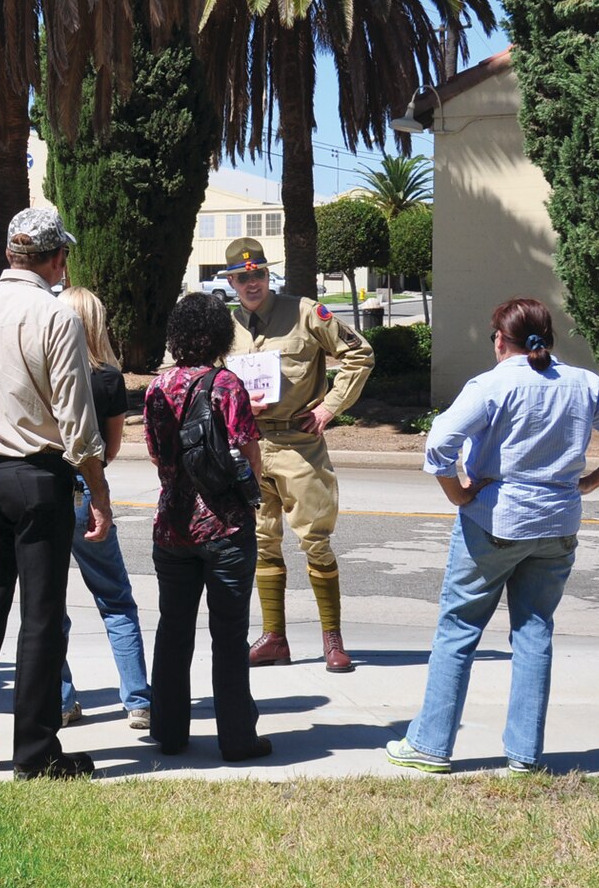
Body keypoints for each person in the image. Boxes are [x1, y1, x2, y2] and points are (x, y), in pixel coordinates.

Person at [386, 299, 599, 774]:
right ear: (547, 337)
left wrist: (460, 494)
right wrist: (591, 481)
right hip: (558, 524)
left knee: (459, 630)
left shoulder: (492, 385)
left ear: (498, 339)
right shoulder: (583, 383)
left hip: (495, 523)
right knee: (534, 633)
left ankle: (431, 746)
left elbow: (439, 444)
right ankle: (525, 755)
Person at [0, 208, 111, 780]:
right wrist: (99, 491)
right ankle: (35, 752)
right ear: (56, 259)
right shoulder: (56, 315)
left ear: (13, 254)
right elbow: (78, 423)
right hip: (37, 473)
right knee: (40, 613)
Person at [224, 237, 374, 672]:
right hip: (248, 446)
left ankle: (333, 640)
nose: (252, 283)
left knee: (316, 541)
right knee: (262, 540)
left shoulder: (307, 312)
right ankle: (274, 639)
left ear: (267, 275)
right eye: (242, 277)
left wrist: (330, 406)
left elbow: (359, 353)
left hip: (297, 443)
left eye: (259, 274)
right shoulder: (226, 326)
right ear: (231, 281)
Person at [144, 292, 273, 762]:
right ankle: (237, 737)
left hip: (172, 527)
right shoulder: (227, 385)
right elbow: (248, 452)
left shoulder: (158, 388)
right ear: (219, 333)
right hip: (224, 528)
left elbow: (158, 454)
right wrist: (251, 495)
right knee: (229, 634)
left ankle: (170, 732)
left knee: (173, 631)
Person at [52, 287, 152, 732]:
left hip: (41, 489)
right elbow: (108, 449)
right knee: (115, 599)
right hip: (86, 491)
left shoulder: (44, 372)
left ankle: (62, 700)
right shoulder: (109, 379)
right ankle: (137, 700)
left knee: (48, 604)